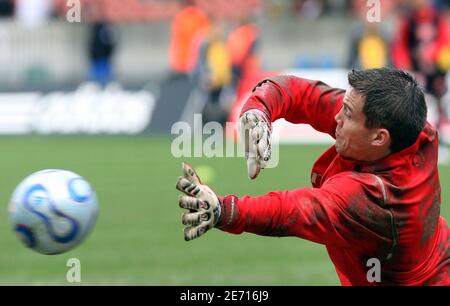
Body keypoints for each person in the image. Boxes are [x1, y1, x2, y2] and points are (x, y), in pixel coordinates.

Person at [175, 68, 450, 285]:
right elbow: (304, 95)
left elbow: (293, 211)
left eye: (348, 114)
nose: (337, 117)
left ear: (379, 137)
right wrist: (259, 108)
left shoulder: (380, 203)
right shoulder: (408, 127)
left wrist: (225, 209)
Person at [392, 0, 450, 138]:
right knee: (418, 100)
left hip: (436, 71)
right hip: (416, 70)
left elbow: (445, 42)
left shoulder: (437, 18)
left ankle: (442, 125)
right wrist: (405, 64)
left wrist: (435, 55)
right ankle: (419, 128)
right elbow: (400, 46)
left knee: (440, 96)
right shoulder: (409, 20)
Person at [168, 0, 210, 76]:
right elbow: (205, 39)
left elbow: (176, 41)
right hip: (195, 62)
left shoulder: (179, 17)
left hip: (180, 62)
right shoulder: (201, 16)